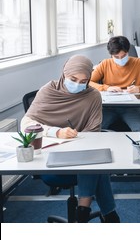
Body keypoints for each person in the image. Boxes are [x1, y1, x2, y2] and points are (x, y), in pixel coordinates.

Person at [21, 55, 119, 223]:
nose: (78, 84)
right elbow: (26, 124)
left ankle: (83, 210)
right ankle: (101, 212)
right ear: (64, 73)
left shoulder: (93, 95)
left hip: (81, 151)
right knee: (98, 166)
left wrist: (76, 139)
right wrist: (55, 132)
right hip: (51, 153)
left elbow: (94, 132)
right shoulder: (49, 90)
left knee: (93, 158)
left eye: (83, 81)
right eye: (73, 79)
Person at [90, 35, 140, 131]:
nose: (120, 59)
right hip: (109, 107)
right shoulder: (105, 64)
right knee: (93, 128)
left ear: (128, 52)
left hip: (131, 107)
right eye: (116, 57)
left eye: (123, 56)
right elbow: (88, 82)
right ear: (111, 55)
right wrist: (106, 88)